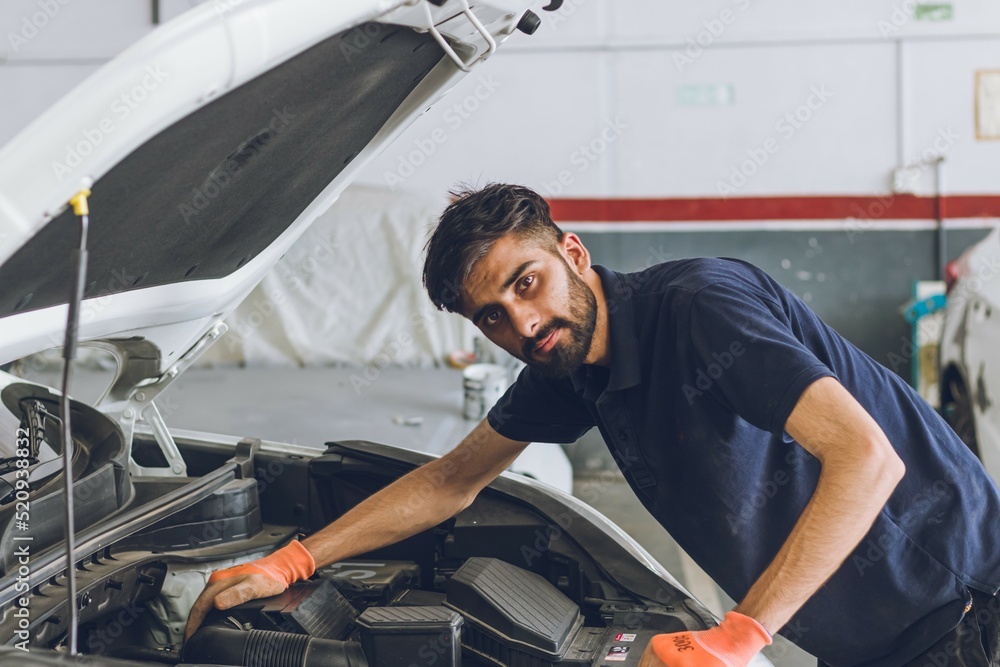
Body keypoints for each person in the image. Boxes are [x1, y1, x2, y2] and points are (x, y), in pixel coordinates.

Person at [185, 184, 1000, 666]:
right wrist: (291, 559)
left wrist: (739, 636)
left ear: (573, 253)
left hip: (961, 609)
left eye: (528, 282)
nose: (523, 322)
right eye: (493, 316)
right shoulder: (570, 368)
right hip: (871, 639)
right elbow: (450, 479)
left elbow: (866, 458)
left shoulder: (699, 308)